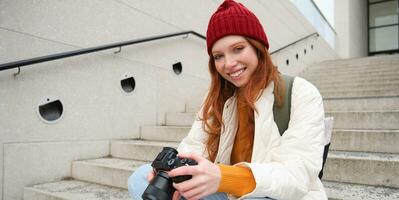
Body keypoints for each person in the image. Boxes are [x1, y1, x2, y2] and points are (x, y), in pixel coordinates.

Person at [128, 0, 327, 199]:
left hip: (276, 195)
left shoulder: (301, 92)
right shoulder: (216, 99)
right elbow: (192, 147)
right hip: (225, 192)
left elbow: (297, 174)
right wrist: (172, 173)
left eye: (238, 48)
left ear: (258, 48)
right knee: (140, 179)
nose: (229, 64)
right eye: (218, 56)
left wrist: (224, 177)